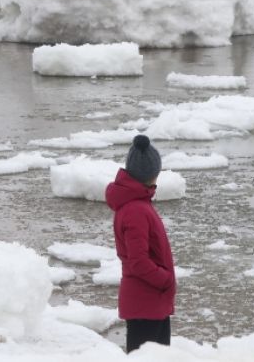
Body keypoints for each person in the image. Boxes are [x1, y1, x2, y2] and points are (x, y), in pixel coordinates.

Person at [106, 134, 175, 352]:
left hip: (152, 302)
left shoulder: (138, 204)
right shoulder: (135, 210)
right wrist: (164, 279)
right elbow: (138, 261)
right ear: (152, 174)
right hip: (145, 303)